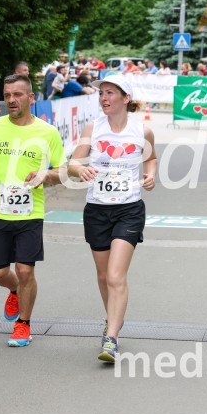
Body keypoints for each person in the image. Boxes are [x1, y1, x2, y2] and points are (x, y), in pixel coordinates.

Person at [0, 74, 67, 347]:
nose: (11, 100)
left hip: (31, 213)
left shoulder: (47, 133)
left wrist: (45, 175)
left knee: (25, 270)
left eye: (18, 95)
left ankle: (23, 324)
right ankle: (13, 290)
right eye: (7, 95)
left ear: (31, 98)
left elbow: (63, 172)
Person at [68, 73, 156, 363]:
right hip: (97, 210)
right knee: (104, 275)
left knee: (117, 275)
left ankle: (112, 337)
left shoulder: (142, 131)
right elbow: (73, 163)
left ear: (126, 98)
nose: (104, 98)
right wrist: (79, 170)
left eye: (110, 93)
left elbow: (151, 157)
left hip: (128, 209)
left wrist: (151, 175)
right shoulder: (93, 128)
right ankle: (112, 320)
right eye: (101, 93)